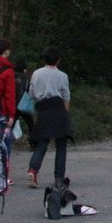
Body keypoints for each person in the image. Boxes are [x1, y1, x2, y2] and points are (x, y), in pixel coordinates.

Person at [27, 45, 73, 189]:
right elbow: (66, 96)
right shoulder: (62, 76)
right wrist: (66, 113)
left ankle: (33, 169)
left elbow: (31, 92)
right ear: (58, 60)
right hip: (58, 108)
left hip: (43, 109)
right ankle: (59, 178)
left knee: (42, 142)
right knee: (61, 145)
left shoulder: (36, 74)